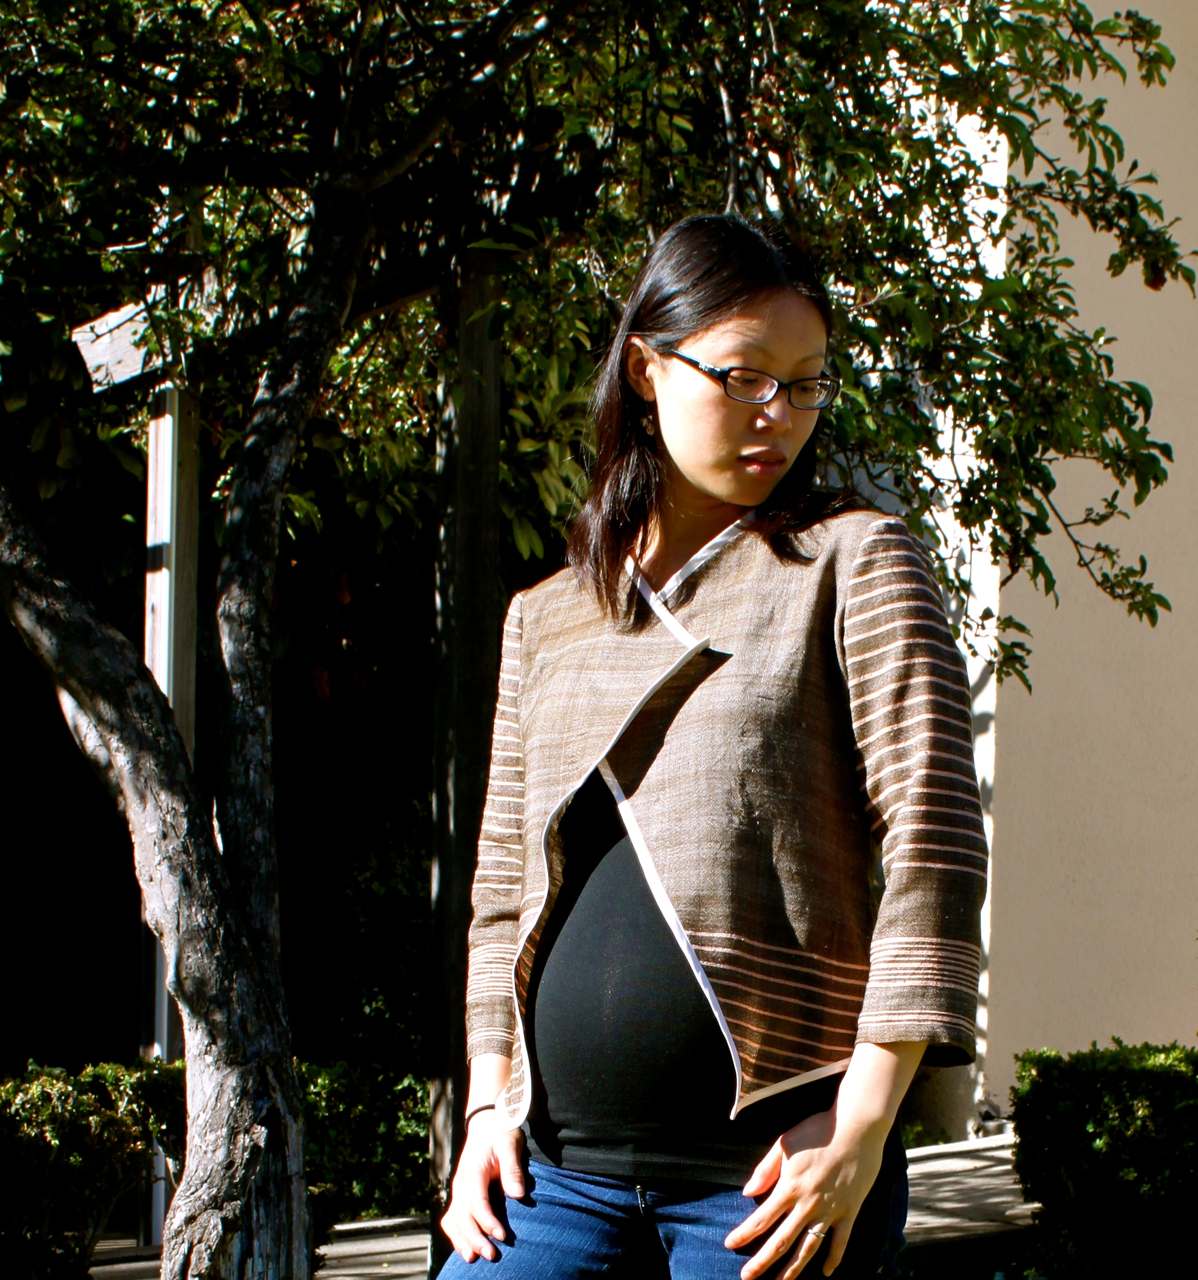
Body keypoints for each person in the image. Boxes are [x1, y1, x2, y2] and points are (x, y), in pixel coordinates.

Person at [439, 214, 986, 1280]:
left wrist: (863, 1121)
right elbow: (502, 889)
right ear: (647, 369)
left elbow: (933, 839)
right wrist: (488, 1103)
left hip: (772, 1175)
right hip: (552, 1177)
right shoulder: (547, 615)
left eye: (806, 383)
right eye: (744, 376)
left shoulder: (852, 562)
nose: (778, 414)